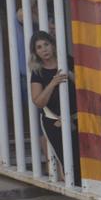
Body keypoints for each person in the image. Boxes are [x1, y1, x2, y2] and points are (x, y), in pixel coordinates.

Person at [28, 31, 80, 185]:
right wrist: (52, 83)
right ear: (35, 52)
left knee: (82, 158)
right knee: (67, 159)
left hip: (77, 118)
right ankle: (74, 190)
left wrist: (70, 75)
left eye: (46, 45)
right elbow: (38, 102)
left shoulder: (68, 61)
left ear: (53, 45)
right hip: (54, 122)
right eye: (39, 47)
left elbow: (85, 86)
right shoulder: (37, 73)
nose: (44, 50)